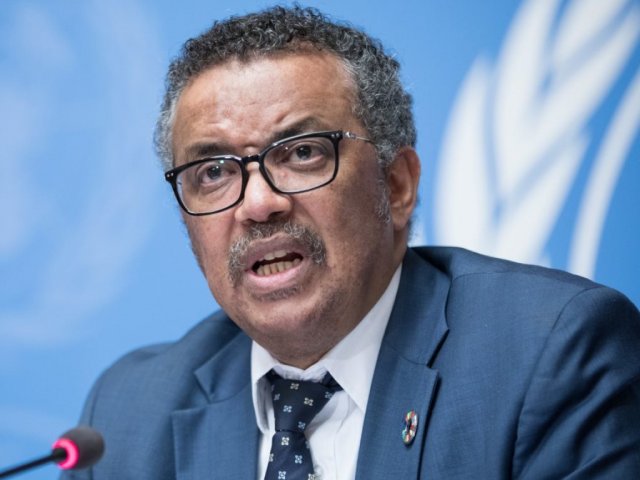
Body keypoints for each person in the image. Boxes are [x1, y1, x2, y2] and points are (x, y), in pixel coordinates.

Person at [62, 6, 640, 479]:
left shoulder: (550, 355)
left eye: (302, 152)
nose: (257, 204)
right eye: (213, 172)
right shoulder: (127, 415)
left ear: (397, 184)